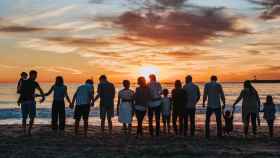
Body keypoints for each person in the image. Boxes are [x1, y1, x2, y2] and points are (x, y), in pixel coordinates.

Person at [20, 70, 45, 135]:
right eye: (35, 75)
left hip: (26, 101)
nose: (36, 76)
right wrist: (42, 97)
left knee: (27, 117)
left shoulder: (27, 82)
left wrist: (43, 97)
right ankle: (26, 131)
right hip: (28, 102)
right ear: (32, 75)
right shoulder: (30, 82)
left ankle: (26, 131)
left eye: (36, 75)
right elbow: (40, 90)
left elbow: (20, 92)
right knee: (29, 117)